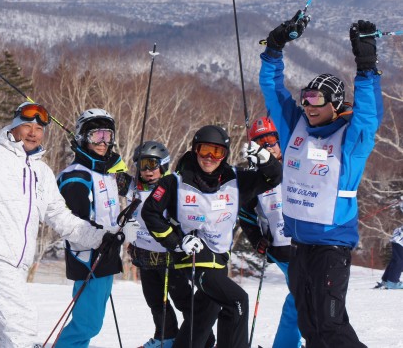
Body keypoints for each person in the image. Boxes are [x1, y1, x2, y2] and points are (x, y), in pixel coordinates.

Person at [0, 101, 120, 348]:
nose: (32, 133)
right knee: (22, 324)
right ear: (14, 126)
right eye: (27, 125)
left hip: (19, 262)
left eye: (38, 129)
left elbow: (62, 217)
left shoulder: (43, 172)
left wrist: (100, 237)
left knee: (6, 327)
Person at [259, 15, 383, 347]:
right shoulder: (293, 128)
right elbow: (272, 89)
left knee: (330, 324)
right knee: (310, 325)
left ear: (335, 104)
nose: (309, 105)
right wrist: (274, 47)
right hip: (300, 245)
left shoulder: (350, 139)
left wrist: (366, 65)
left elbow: (369, 115)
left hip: (332, 245)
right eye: (306, 97)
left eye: (317, 99)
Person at [141, 125, 282, 348]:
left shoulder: (236, 179)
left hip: (219, 259)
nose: (209, 157)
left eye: (217, 152)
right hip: (194, 258)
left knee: (205, 312)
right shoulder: (175, 182)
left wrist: (265, 158)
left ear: (225, 154)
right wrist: (177, 243)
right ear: (195, 150)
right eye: (204, 150)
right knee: (237, 301)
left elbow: (274, 178)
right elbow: (150, 212)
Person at [127, 141, 214, 348]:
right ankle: (165, 338)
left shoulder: (172, 188)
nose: (148, 171)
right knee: (156, 302)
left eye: (152, 164)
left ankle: (205, 340)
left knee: (184, 302)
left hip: (169, 257)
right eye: (142, 165)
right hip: (145, 257)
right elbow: (128, 215)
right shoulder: (133, 188)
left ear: (164, 165)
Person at [54, 108, 126, 348]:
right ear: (84, 137)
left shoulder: (104, 173)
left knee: (91, 321)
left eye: (108, 136)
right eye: (97, 136)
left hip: (106, 254)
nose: (104, 142)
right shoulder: (76, 176)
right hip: (89, 256)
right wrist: (103, 238)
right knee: (88, 323)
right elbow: (75, 221)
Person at [237, 117, 301, 348]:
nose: (268, 146)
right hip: (280, 248)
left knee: (305, 294)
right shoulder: (255, 176)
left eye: (272, 140)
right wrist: (257, 240)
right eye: (261, 142)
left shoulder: (297, 163)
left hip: (307, 243)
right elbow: (245, 215)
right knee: (301, 293)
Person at [378, 201, 403, 289]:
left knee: (395, 260)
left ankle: (386, 280)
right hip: (400, 239)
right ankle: (392, 281)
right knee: (399, 261)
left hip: (398, 239)